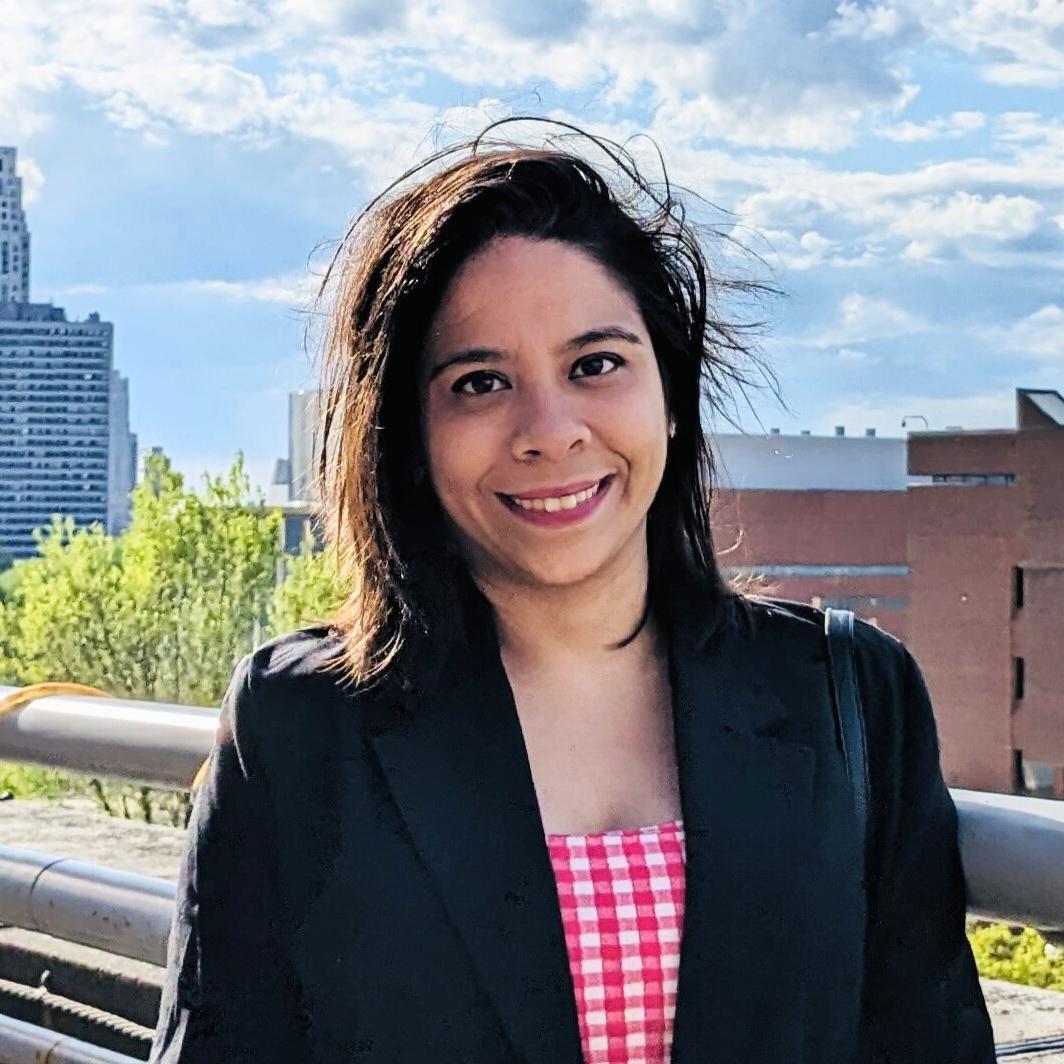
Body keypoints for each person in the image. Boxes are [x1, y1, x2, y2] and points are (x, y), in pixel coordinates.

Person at [150, 122, 996, 1063]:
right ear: (411, 439)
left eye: (596, 364)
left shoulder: (849, 697)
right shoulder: (302, 724)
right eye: (479, 382)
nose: (550, 431)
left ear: (672, 395)